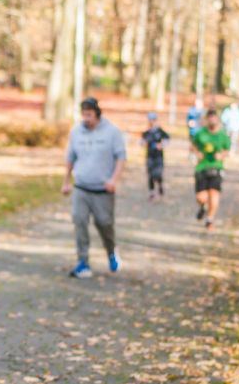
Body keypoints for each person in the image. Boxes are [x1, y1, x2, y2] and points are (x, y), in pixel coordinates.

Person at [61, 97, 126, 278]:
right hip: (81, 187)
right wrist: (66, 182)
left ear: (97, 113)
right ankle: (83, 262)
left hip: (103, 189)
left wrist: (114, 179)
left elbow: (121, 157)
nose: (86, 118)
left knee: (104, 223)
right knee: (79, 220)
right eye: (84, 114)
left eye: (89, 114)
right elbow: (70, 159)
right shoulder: (76, 132)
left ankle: (112, 251)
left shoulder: (112, 132)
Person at [190, 108, 230, 230]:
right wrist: (197, 154)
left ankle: (210, 218)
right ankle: (203, 207)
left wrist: (221, 155)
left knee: (214, 194)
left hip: (216, 167)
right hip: (202, 167)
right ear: (207, 120)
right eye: (210, 118)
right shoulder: (200, 133)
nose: (212, 120)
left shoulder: (223, 135)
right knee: (201, 197)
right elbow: (192, 146)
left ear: (217, 119)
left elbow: (227, 150)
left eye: (214, 117)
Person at [140, 112, 170, 200]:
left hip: (159, 156)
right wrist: (143, 143)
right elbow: (141, 142)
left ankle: (160, 185)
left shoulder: (160, 131)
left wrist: (161, 145)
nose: (151, 122)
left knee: (158, 174)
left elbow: (167, 139)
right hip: (150, 156)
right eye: (150, 120)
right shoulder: (146, 133)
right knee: (150, 174)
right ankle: (152, 192)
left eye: (153, 120)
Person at [186, 97, 205, 163]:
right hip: (193, 131)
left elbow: (205, 122)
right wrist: (189, 123)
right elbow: (188, 120)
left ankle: (199, 156)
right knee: (193, 144)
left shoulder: (204, 112)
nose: (198, 105)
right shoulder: (191, 111)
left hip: (201, 132)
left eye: (200, 104)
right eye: (197, 103)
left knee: (200, 145)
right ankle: (192, 155)